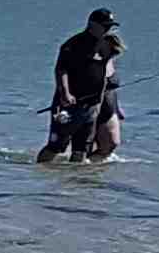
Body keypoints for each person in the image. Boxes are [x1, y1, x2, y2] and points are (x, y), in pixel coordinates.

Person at [41, 8, 121, 160]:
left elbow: (105, 72)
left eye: (110, 26)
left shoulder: (106, 45)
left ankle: (77, 174)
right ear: (92, 24)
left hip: (92, 105)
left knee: (81, 150)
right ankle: (38, 170)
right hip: (70, 104)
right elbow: (61, 70)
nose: (107, 29)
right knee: (56, 147)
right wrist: (65, 93)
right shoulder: (73, 44)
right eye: (104, 26)